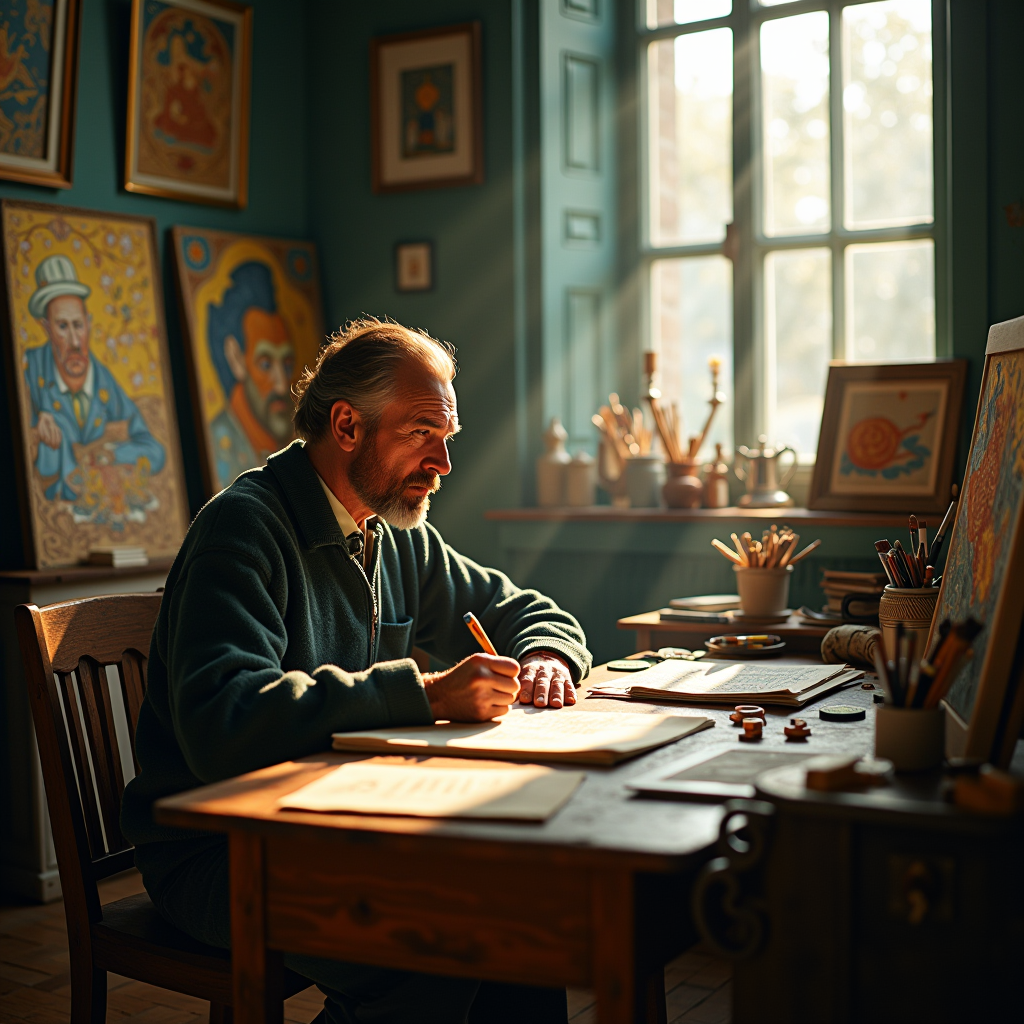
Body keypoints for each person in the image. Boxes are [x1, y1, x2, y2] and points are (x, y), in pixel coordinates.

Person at [121, 318, 590, 1023]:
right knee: (426, 952)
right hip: (219, 854)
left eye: (447, 437)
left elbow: (525, 609)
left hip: (334, 826)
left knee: (517, 926)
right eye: (422, 433)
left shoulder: (391, 532)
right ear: (346, 426)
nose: (443, 463)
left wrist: (546, 655)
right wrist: (425, 693)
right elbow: (225, 718)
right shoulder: (243, 528)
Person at [23, 254, 166, 501]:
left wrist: (112, 453)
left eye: (78, 325)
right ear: (46, 328)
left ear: (88, 324)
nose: (75, 342)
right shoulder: (30, 370)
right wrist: (37, 432)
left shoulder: (104, 381)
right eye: (62, 326)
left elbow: (155, 451)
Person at [207, 261, 296, 488]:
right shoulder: (219, 443)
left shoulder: (298, 438)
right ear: (236, 358)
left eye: (287, 365)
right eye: (265, 364)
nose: (281, 386)